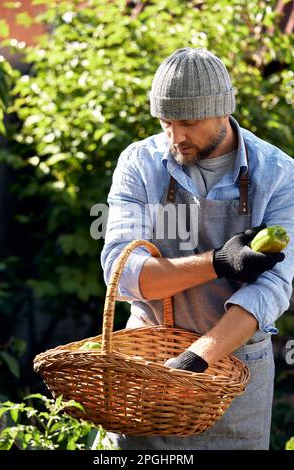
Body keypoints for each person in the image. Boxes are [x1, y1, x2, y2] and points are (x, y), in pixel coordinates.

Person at [100, 47, 294, 450]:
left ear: (223, 109)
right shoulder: (139, 164)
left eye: (188, 122)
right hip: (149, 365)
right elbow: (125, 274)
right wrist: (221, 262)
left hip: (236, 368)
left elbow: (271, 289)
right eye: (165, 122)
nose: (176, 138)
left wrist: (197, 357)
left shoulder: (278, 174)